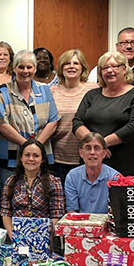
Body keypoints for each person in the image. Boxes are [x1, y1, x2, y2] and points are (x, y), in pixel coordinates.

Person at [73, 51, 134, 177]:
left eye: (114, 66)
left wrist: (102, 143)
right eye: (105, 68)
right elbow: (77, 122)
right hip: (93, 161)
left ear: (124, 69)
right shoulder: (91, 95)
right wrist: (95, 145)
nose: (109, 70)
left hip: (126, 162)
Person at [0, 50, 59, 190]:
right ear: (14, 68)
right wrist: (27, 146)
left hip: (41, 158)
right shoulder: (2, 91)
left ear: (35, 69)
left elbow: (53, 121)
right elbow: (0, 124)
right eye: (21, 67)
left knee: (40, 198)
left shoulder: (45, 90)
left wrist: (36, 147)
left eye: (29, 67)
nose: (25, 71)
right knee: (9, 198)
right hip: (10, 159)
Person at [0, 139, 65, 240]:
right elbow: (5, 213)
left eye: (36, 155)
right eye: (27, 155)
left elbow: (56, 214)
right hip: (15, 236)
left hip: (43, 237)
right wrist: (13, 236)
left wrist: (42, 237)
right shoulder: (11, 181)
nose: (31, 159)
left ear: (42, 159)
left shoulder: (53, 182)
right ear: (21, 158)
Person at [50, 49, 98, 183]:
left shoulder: (93, 89)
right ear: (61, 67)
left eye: (76, 63)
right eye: (67, 63)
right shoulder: (52, 91)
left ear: (82, 67)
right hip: (58, 157)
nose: (71, 66)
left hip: (86, 156)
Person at [64, 132, 119, 214]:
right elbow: (72, 211)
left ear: (104, 153)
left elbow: (117, 212)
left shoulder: (115, 178)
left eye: (97, 148)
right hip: (80, 223)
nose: (92, 152)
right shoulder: (72, 176)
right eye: (88, 148)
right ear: (81, 153)